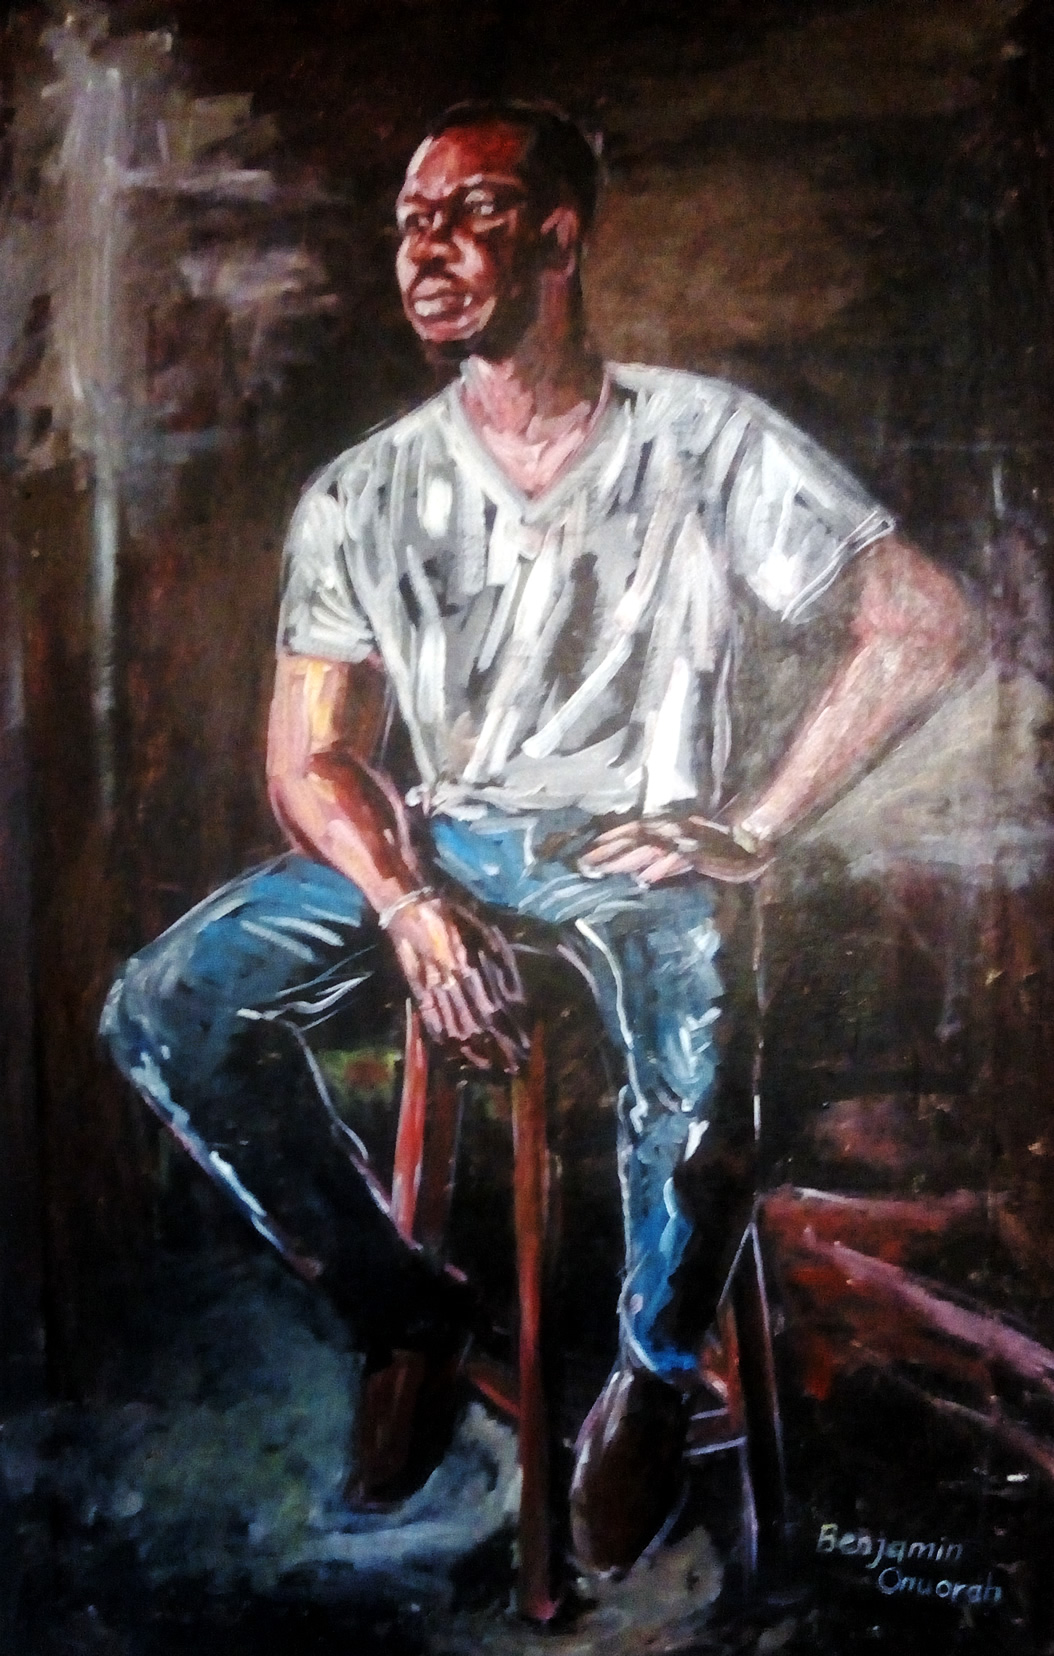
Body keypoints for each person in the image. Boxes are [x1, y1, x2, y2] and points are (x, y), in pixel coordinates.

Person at [102, 99, 974, 1574]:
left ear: (559, 238)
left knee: (693, 1032)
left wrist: (754, 824)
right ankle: (407, 1317)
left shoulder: (702, 439)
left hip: (630, 850)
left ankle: (653, 1373)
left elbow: (923, 623)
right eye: (409, 223)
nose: (426, 250)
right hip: (439, 845)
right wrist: (406, 903)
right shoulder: (363, 490)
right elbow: (310, 758)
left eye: (472, 214)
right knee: (163, 1006)